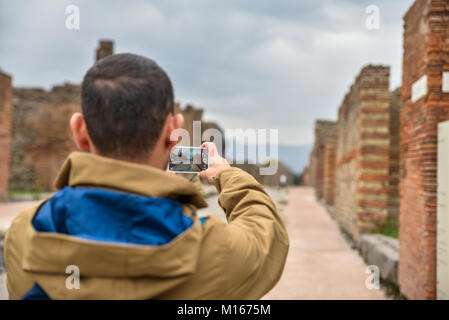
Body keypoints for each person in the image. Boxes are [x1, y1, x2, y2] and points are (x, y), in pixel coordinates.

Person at [4, 53, 289, 299]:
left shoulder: (24, 235)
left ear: (80, 131)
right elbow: (268, 235)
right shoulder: (215, 254)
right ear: (173, 132)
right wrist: (225, 174)